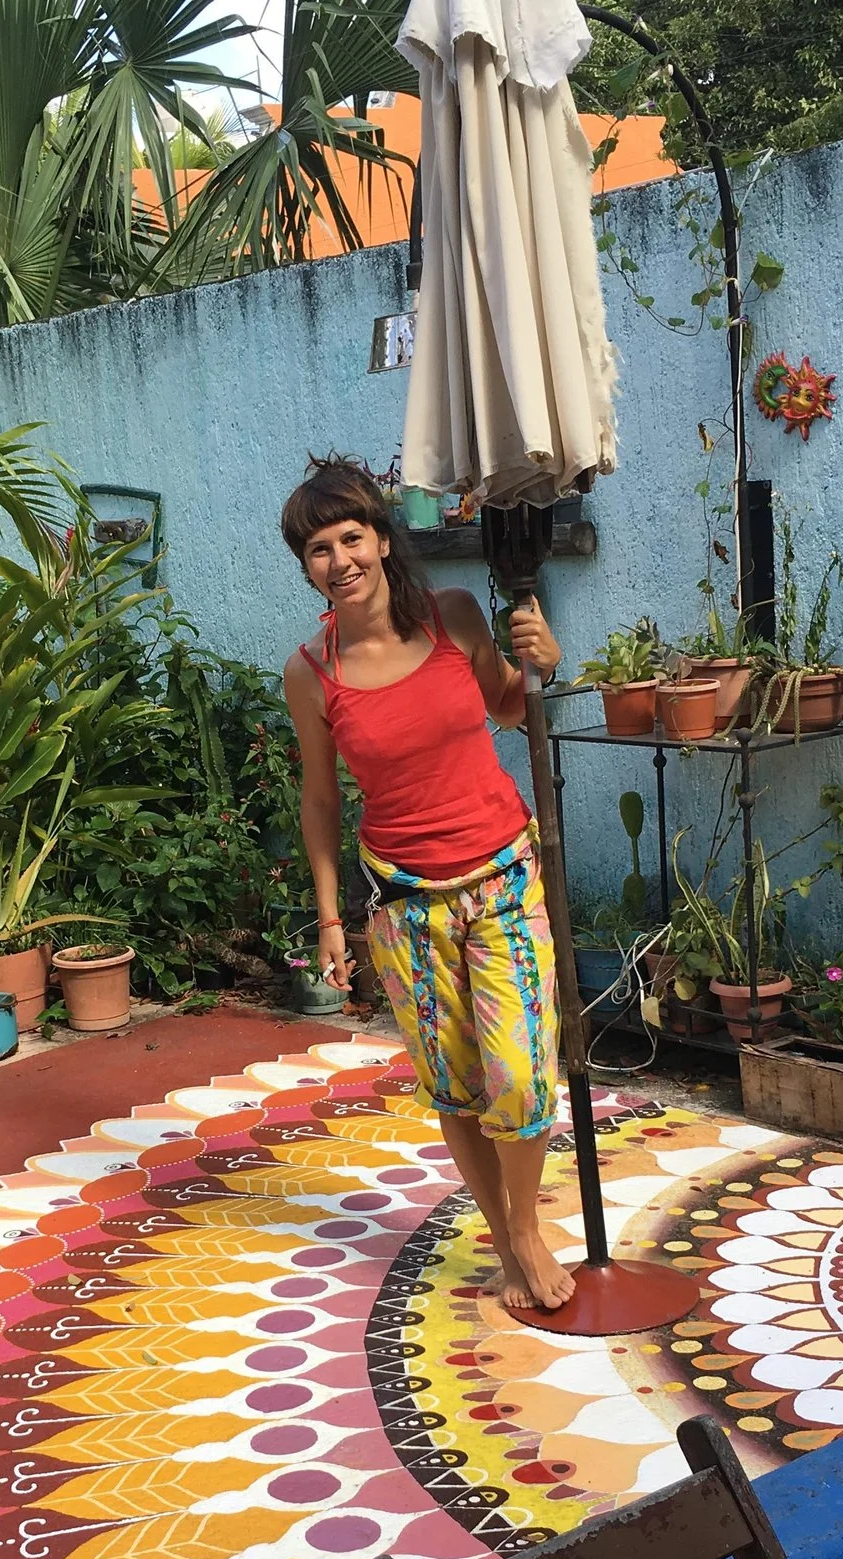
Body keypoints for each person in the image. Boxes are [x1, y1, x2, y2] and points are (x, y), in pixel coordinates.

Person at [279, 457, 574, 1314]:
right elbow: (321, 796)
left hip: (503, 879)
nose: (339, 560)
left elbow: (510, 707)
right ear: (306, 566)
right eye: (318, 548)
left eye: (351, 538)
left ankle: (524, 1228)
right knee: (455, 1086)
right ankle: (505, 1230)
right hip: (405, 905)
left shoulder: (451, 618)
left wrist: (539, 662)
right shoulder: (311, 672)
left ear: (380, 538)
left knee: (519, 1076)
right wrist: (332, 917)